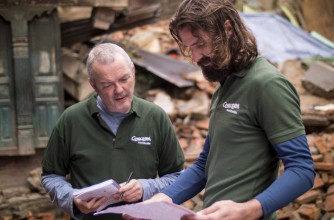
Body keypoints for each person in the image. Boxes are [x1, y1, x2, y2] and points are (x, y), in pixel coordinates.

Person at [146, 0, 315, 219]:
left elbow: (302, 169)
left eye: (200, 44)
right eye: (190, 48)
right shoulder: (224, 89)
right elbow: (204, 165)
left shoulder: (267, 84)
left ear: (227, 30)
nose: (196, 58)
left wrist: (248, 210)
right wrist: (163, 199)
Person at [41, 42, 185, 220]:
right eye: (108, 85)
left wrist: (145, 188)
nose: (119, 90)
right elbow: (51, 175)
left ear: (133, 71)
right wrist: (72, 198)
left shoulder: (156, 117)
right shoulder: (71, 120)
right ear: (93, 85)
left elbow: (177, 177)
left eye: (124, 79)